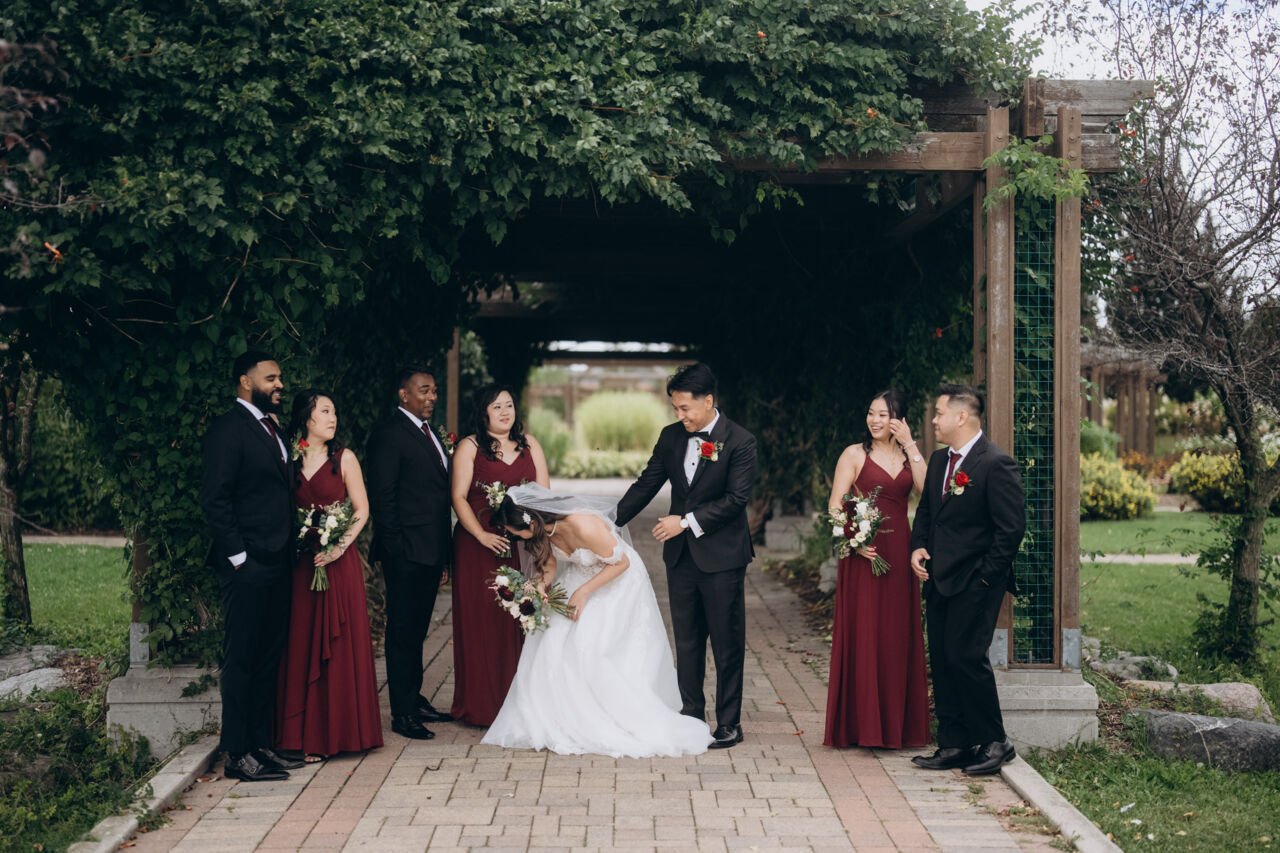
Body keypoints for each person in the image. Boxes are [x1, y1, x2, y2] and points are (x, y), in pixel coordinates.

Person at [482, 485, 713, 758]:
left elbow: (621, 563)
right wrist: (539, 587)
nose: (515, 537)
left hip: (617, 580)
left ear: (530, 522)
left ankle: (608, 711)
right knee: (554, 639)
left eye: (515, 532)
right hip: (581, 576)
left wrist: (583, 592)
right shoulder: (542, 532)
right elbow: (549, 564)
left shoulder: (584, 526)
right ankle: (562, 715)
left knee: (590, 645)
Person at [615, 362, 757, 750]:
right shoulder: (671, 437)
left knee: (727, 644)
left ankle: (729, 723)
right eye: (675, 408)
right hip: (681, 559)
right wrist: (610, 521)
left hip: (723, 557)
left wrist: (686, 522)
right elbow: (647, 483)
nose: (680, 415)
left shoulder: (740, 441)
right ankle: (691, 714)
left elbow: (736, 499)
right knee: (688, 641)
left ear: (708, 401)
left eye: (685, 408)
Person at [909, 384, 1026, 776]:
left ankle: (996, 741)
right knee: (943, 658)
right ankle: (955, 743)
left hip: (977, 583)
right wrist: (918, 546)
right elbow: (927, 511)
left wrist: (987, 579)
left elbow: (1010, 530)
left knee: (967, 657)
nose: (933, 420)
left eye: (939, 413)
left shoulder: (996, 463)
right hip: (938, 578)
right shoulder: (939, 460)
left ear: (961, 416)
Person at [199, 351, 304, 782]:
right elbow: (216, 498)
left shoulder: (273, 429)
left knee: (267, 656)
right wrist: (239, 557)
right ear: (246, 381)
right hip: (247, 565)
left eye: (280, 378)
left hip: (279, 561)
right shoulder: (228, 429)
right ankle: (237, 754)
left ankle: (260, 745)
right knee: (242, 658)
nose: (280, 385)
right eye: (271, 378)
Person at [275, 391, 383, 761]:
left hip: (338, 563)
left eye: (334, 411)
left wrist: (339, 546)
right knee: (301, 643)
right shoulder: (289, 458)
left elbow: (362, 509)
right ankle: (300, 736)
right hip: (303, 565)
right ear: (306, 418)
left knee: (338, 646)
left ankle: (340, 734)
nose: (332, 418)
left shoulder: (344, 458)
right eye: (324, 411)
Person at [823, 389, 930, 749]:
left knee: (896, 634)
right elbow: (835, 505)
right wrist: (854, 538)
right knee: (866, 633)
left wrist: (911, 445)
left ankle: (899, 727)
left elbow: (926, 492)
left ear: (899, 420)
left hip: (900, 552)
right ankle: (863, 727)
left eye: (883, 414)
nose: (874, 420)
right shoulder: (854, 454)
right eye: (871, 413)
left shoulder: (909, 456)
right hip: (863, 555)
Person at [449, 385, 549, 726]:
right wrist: (481, 535)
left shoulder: (530, 444)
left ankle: (521, 702)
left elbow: (544, 496)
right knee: (483, 621)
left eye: (509, 405)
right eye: (497, 406)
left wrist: (538, 539)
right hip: (479, 546)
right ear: (483, 413)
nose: (505, 412)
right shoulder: (469, 447)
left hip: (521, 545)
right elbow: (459, 497)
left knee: (520, 618)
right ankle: (481, 706)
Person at [366, 367, 455, 740]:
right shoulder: (389, 434)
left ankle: (413, 698)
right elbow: (383, 497)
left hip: (431, 550)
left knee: (417, 630)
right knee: (402, 631)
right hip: (405, 553)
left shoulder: (430, 433)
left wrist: (444, 555)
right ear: (403, 394)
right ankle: (402, 714)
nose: (432, 396)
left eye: (434, 390)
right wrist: (396, 551)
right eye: (424, 390)